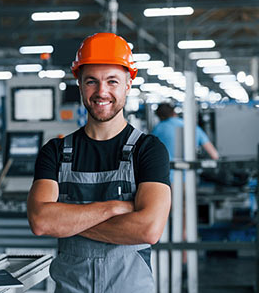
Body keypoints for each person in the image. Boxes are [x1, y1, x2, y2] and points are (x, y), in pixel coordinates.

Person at [27, 32, 171, 293]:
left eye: (112, 81)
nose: (101, 92)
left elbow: (149, 229)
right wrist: (114, 208)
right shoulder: (56, 152)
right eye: (92, 81)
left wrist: (69, 222)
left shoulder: (149, 150)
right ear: (80, 84)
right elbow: (41, 222)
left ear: (128, 84)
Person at [152, 103, 219, 162]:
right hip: (190, 173)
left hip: (165, 173)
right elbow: (214, 155)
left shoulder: (157, 129)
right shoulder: (191, 127)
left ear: (159, 116)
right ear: (174, 112)